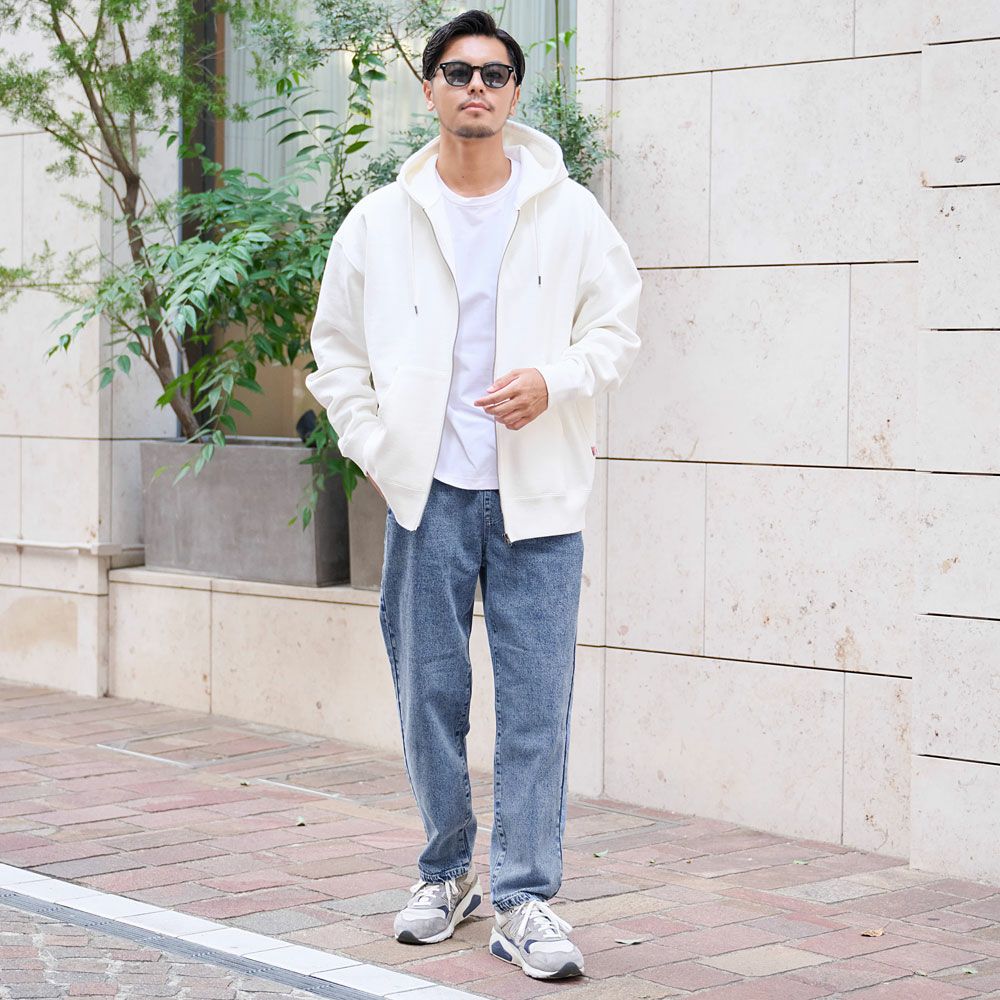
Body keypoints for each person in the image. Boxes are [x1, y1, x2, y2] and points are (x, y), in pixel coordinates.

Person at [305, 9, 642, 982]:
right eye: (457, 72)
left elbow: (617, 329)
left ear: (515, 91)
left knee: (536, 706)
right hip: (429, 498)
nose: (476, 88)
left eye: (494, 73)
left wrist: (554, 381)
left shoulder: (567, 213)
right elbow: (335, 355)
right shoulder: (381, 220)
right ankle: (446, 870)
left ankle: (525, 898)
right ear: (430, 91)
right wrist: (381, 451)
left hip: (539, 498)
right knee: (428, 697)